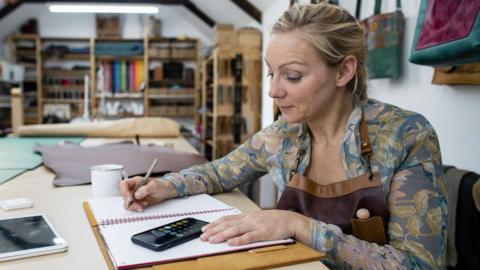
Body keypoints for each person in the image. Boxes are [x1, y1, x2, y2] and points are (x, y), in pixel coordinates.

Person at [120, 3, 447, 269]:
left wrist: (299, 226)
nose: (274, 91)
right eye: (271, 73)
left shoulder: (404, 136)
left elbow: (417, 264)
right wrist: (166, 185)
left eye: (292, 76)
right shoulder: (284, 136)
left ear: (343, 72)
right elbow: (218, 172)